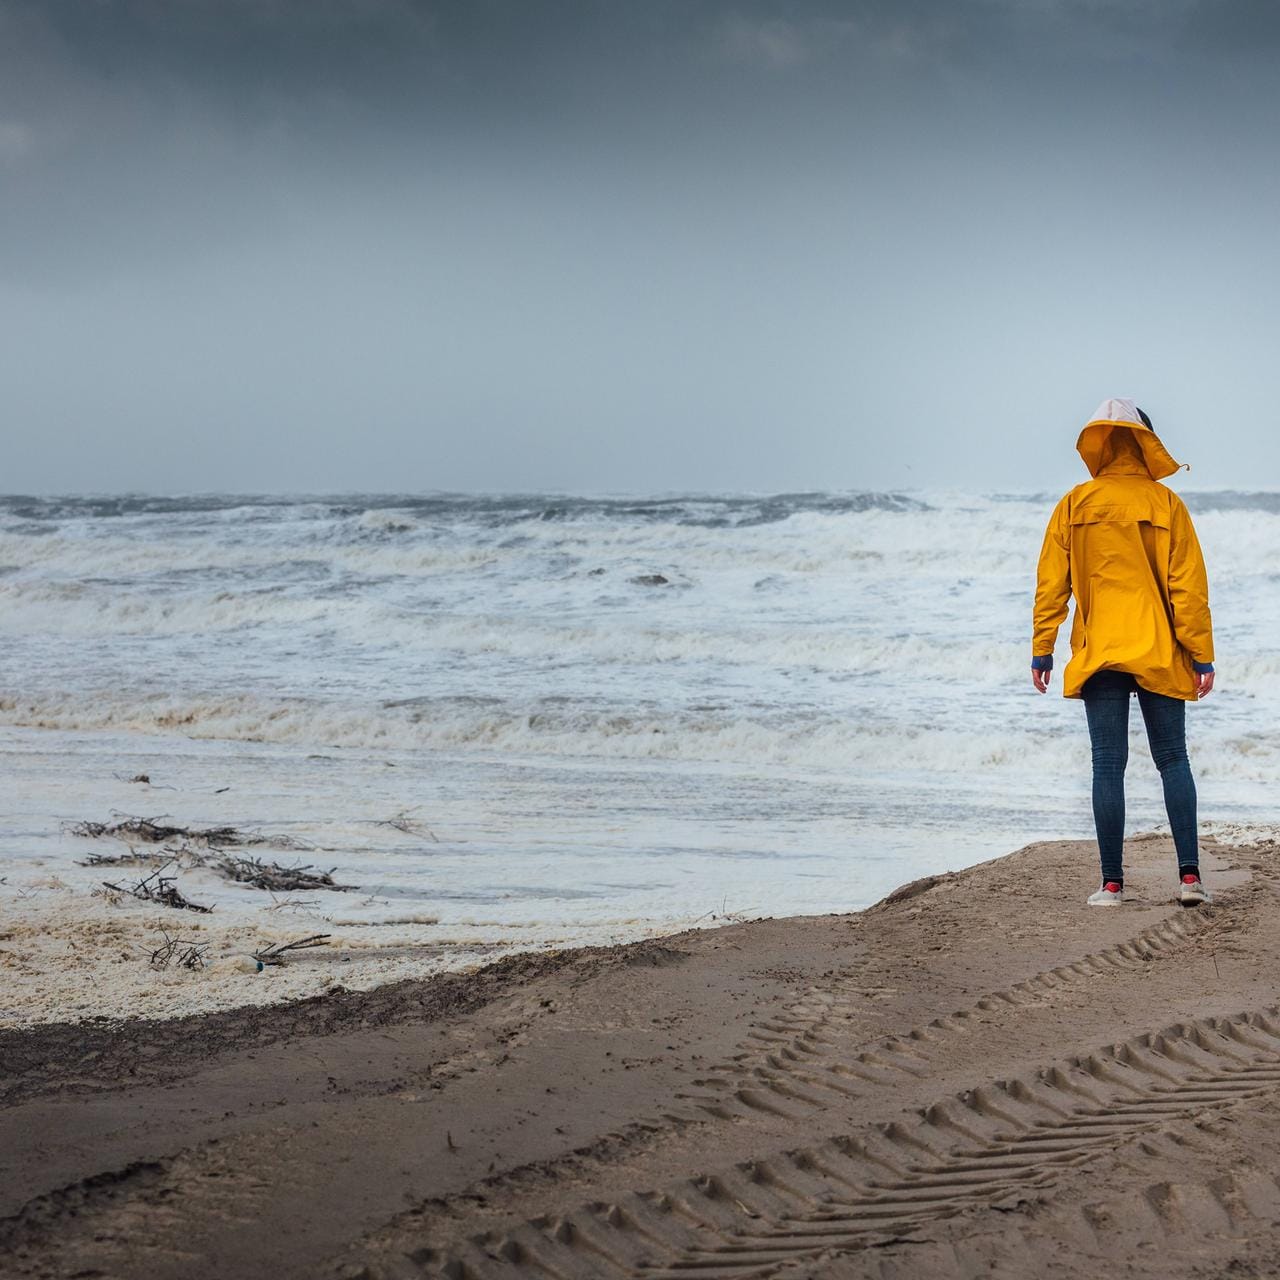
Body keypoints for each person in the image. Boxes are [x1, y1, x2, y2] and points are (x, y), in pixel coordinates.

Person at [1032, 398, 1215, 908]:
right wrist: (1201, 656)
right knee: (1173, 760)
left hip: (1100, 651)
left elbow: (1052, 584)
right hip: (1158, 648)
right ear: (1147, 443)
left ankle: (1112, 885)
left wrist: (1042, 648)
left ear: (1102, 445)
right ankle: (1190, 880)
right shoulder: (1166, 505)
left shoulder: (1076, 502)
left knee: (1107, 765)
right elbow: (1188, 590)